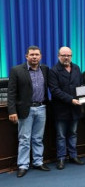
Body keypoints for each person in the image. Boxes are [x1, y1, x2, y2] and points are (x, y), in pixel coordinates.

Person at [8, 46, 50, 177]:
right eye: (31, 55)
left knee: (38, 138)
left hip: (42, 108)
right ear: (26, 56)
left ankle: (38, 162)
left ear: (40, 56)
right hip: (25, 109)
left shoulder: (45, 69)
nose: (34, 57)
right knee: (24, 139)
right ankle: (23, 165)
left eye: (37, 54)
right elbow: (11, 93)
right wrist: (11, 111)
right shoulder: (16, 70)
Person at [48, 46, 85, 170]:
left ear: (71, 56)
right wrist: (71, 100)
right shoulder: (53, 70)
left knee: (73, 133)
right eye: (63, 55)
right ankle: (61, 158)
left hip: (75, 109)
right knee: (61, 136)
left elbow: (80, 85)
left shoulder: (76, 68)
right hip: (61, 109)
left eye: (68, 55)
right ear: (59, 56)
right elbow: (55, 90)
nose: (66, 57)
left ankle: (73, 156)